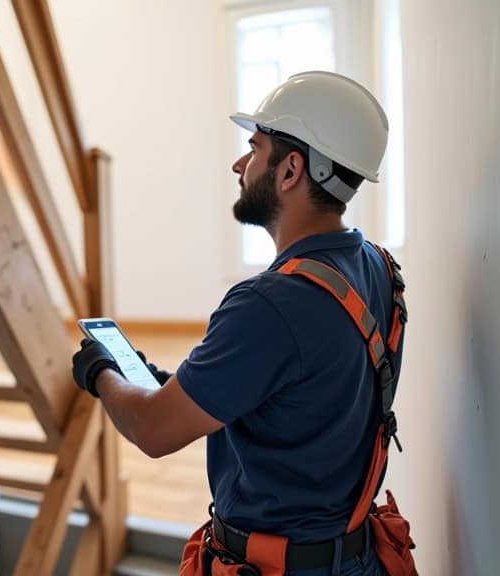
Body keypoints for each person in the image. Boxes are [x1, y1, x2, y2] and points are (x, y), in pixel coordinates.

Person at [72, 71, 408, 576]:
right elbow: (285, 399)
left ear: (290, 170)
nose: (239, 164)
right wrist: (155, 383)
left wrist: (101, 372)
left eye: (254, 149)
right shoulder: (379, 268)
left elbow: (153, 431)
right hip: (355, 556)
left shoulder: (269, 304)